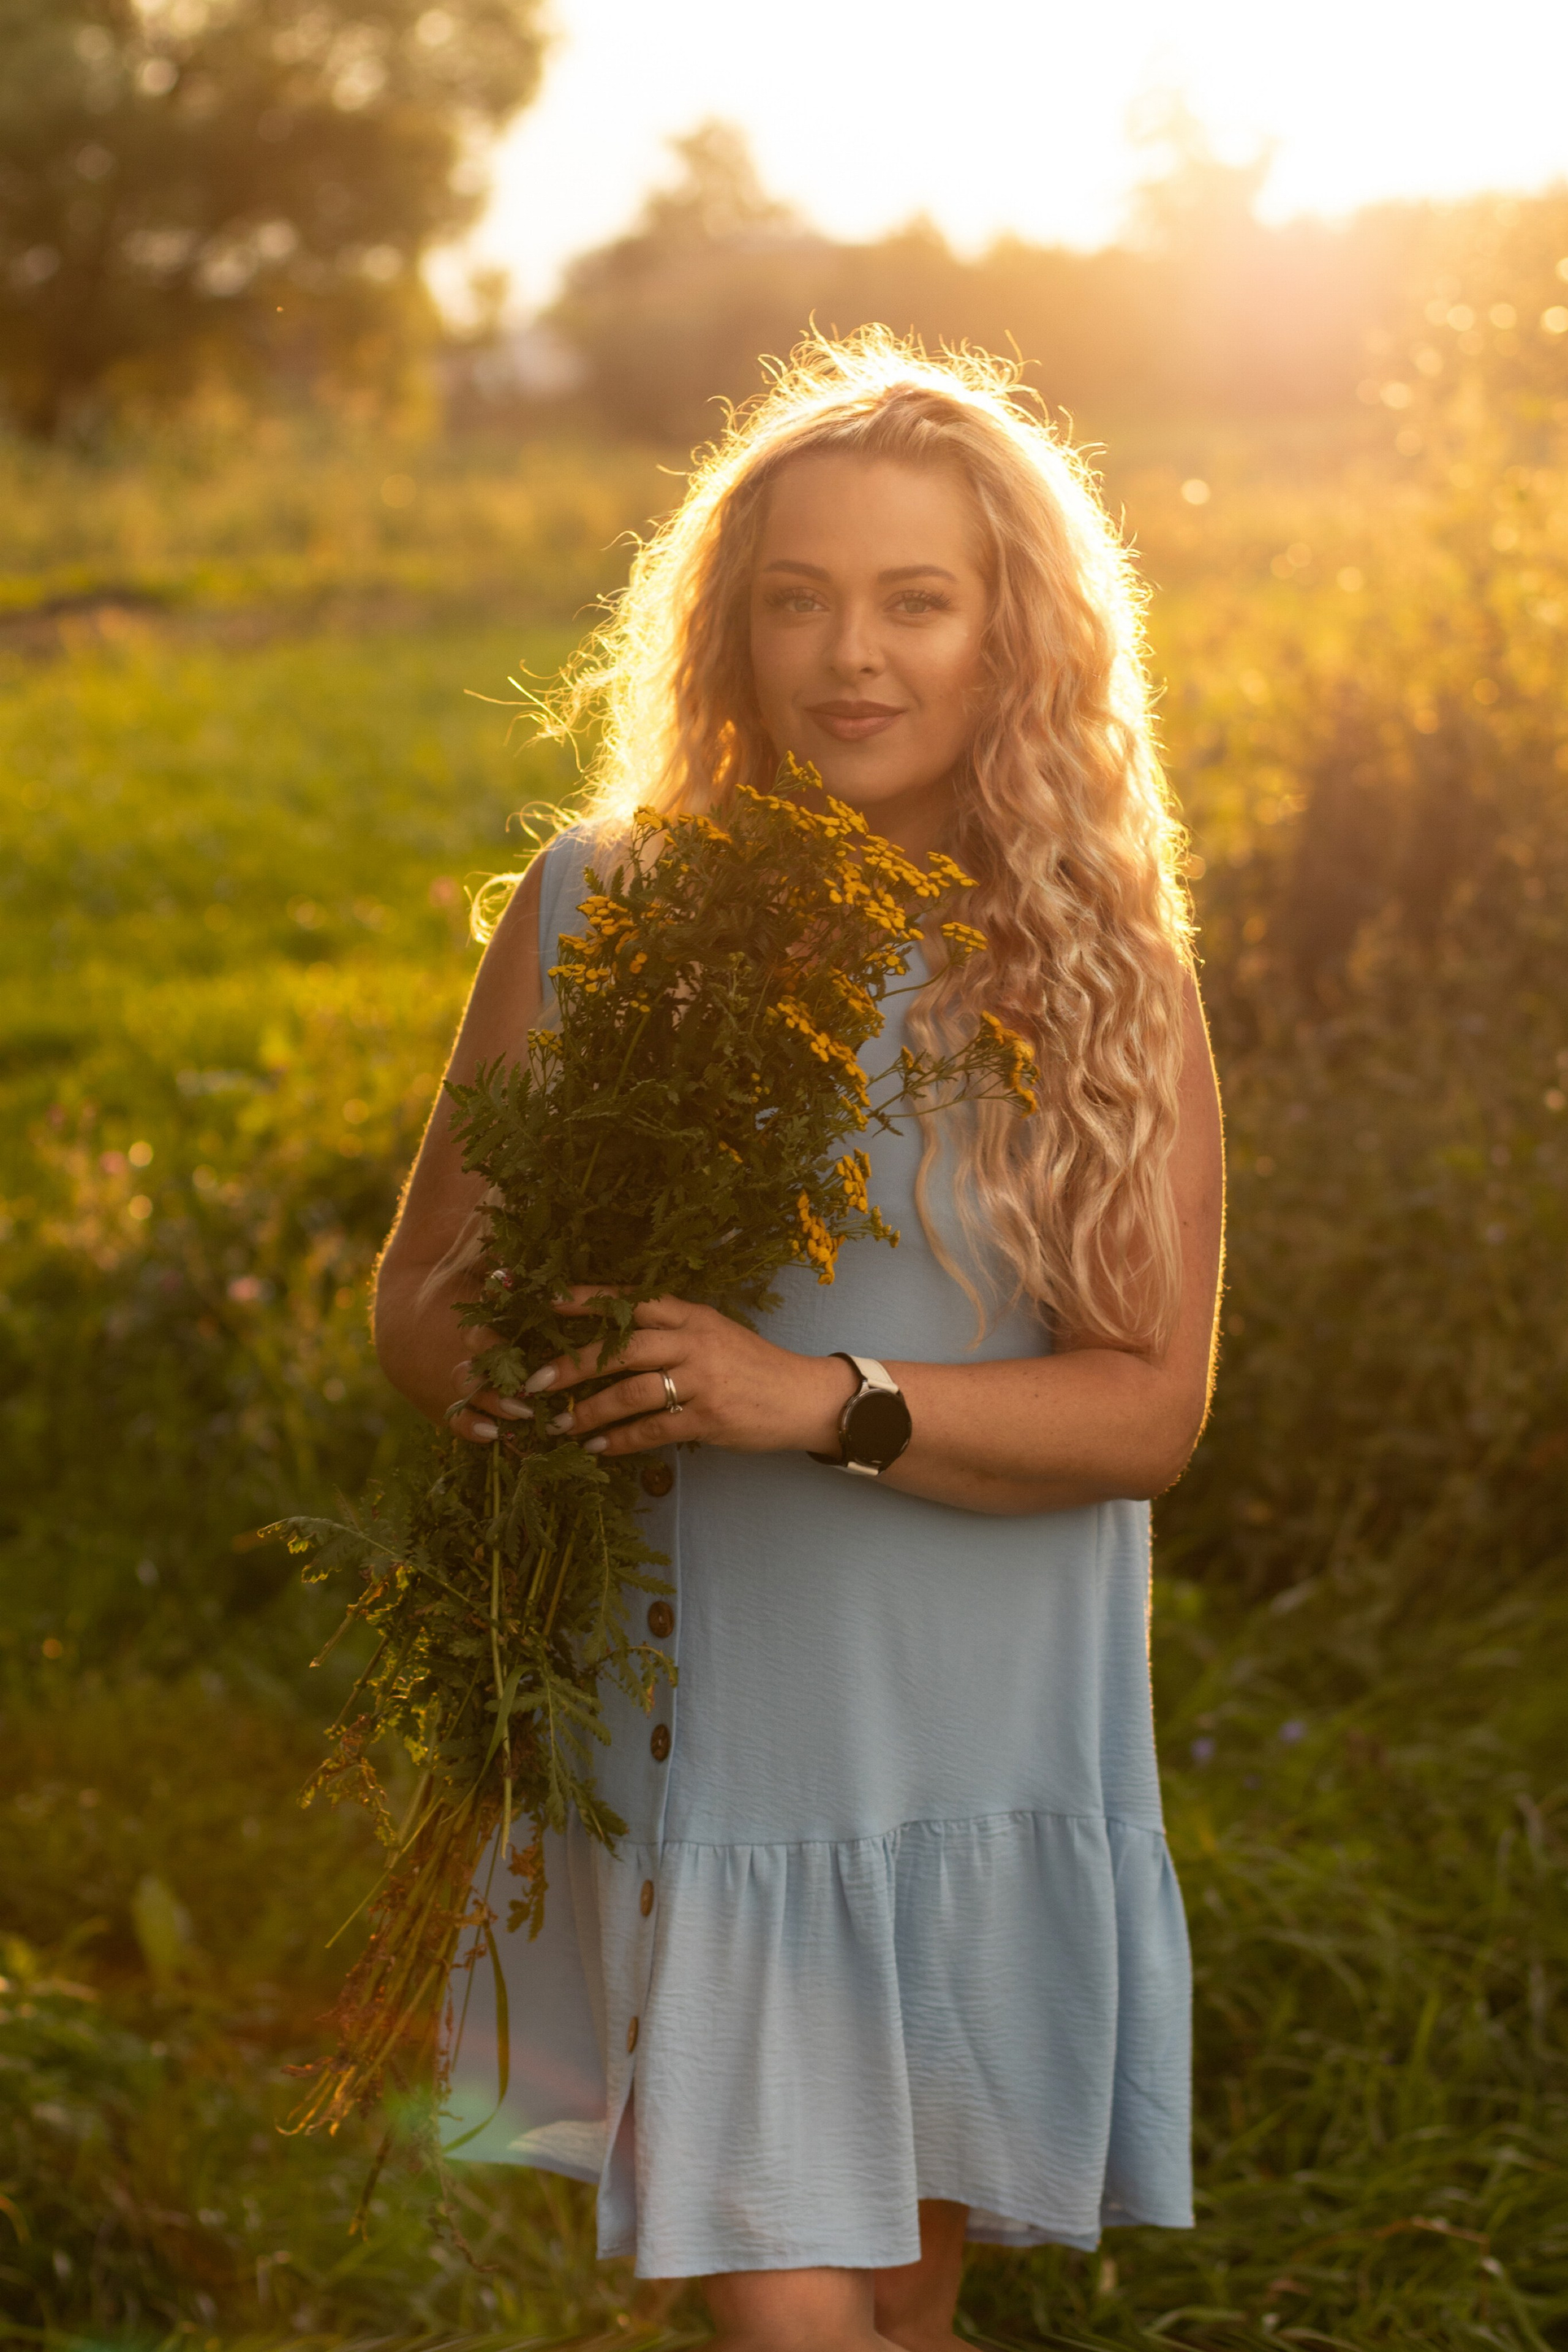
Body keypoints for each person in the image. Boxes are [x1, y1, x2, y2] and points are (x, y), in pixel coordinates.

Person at [374, 331, 1224, 2352]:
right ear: (731, 628)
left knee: (902, 2314)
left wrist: (807, 1399)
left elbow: (1151, 1409)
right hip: (716, 1745)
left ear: (1009, 630)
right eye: (799, 598)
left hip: (974, 1737)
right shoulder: (601, 910)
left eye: (916, 600)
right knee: (787, 2318)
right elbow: (419, 1300)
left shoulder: (1104, 974)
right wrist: (525, 1373)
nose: (854, 654)